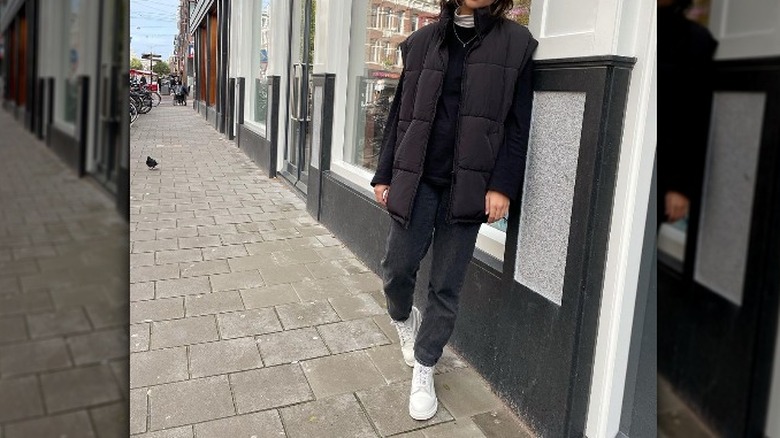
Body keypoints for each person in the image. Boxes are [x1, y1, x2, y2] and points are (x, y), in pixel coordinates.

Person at [370, 0, 537, 421]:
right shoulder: (422, 42)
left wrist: (502, 185)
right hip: (418, 177)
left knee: (446, 283)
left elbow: (519, 125)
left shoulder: (516, 43)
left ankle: (425, 366)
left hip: (470, 186)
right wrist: (384, 174)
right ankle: (404, 320)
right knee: (396, 267)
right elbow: (399, 116)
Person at [657, 0, 717, 225]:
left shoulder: (695, 40)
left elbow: (696, 116)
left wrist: (680, 185)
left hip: (661, 166)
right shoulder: (629, 27)